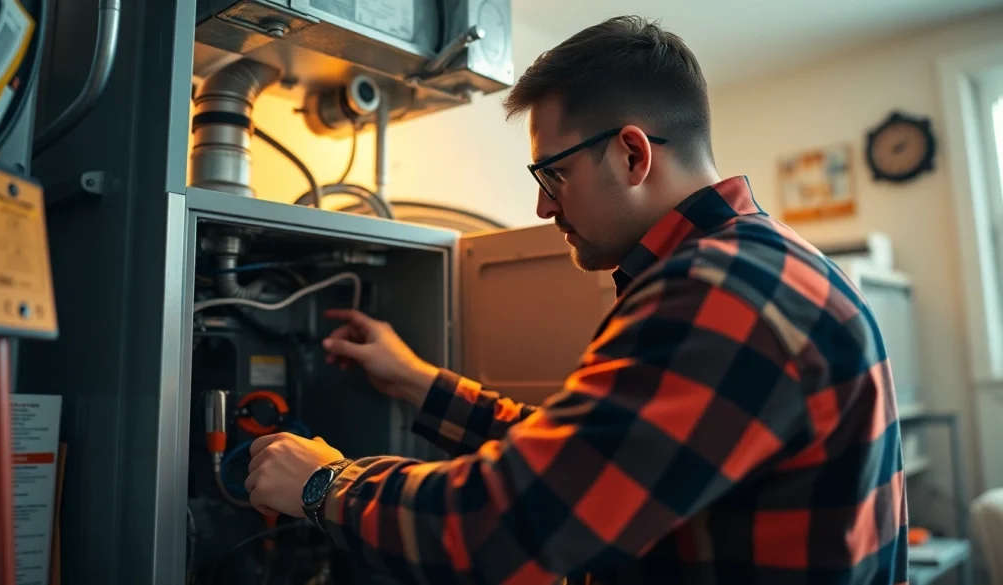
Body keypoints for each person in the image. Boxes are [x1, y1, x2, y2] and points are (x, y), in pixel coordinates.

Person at [245, 15, 908, 585]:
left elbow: (512, 522)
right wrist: (416, 382)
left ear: (632, 154)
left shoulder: (720, 290)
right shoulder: (762, 264)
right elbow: (594, 461)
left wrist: (326, 484)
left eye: (554, 174)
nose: (543, 206)